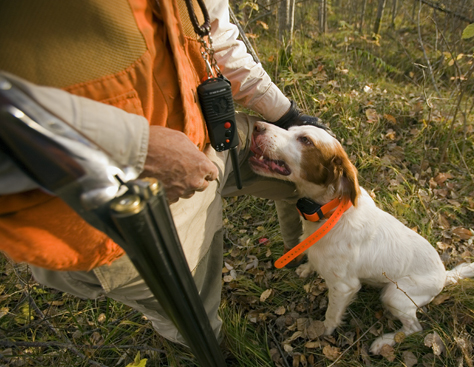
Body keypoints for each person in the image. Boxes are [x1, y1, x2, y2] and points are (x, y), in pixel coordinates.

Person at [0, 0, 318, 344]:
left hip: (211, 139)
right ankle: (205, 353)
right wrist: (134, 148)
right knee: (193, 311)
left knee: (303, 180)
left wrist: (288, 117)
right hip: (108, 209)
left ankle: (303, 252)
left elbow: (218, 38)